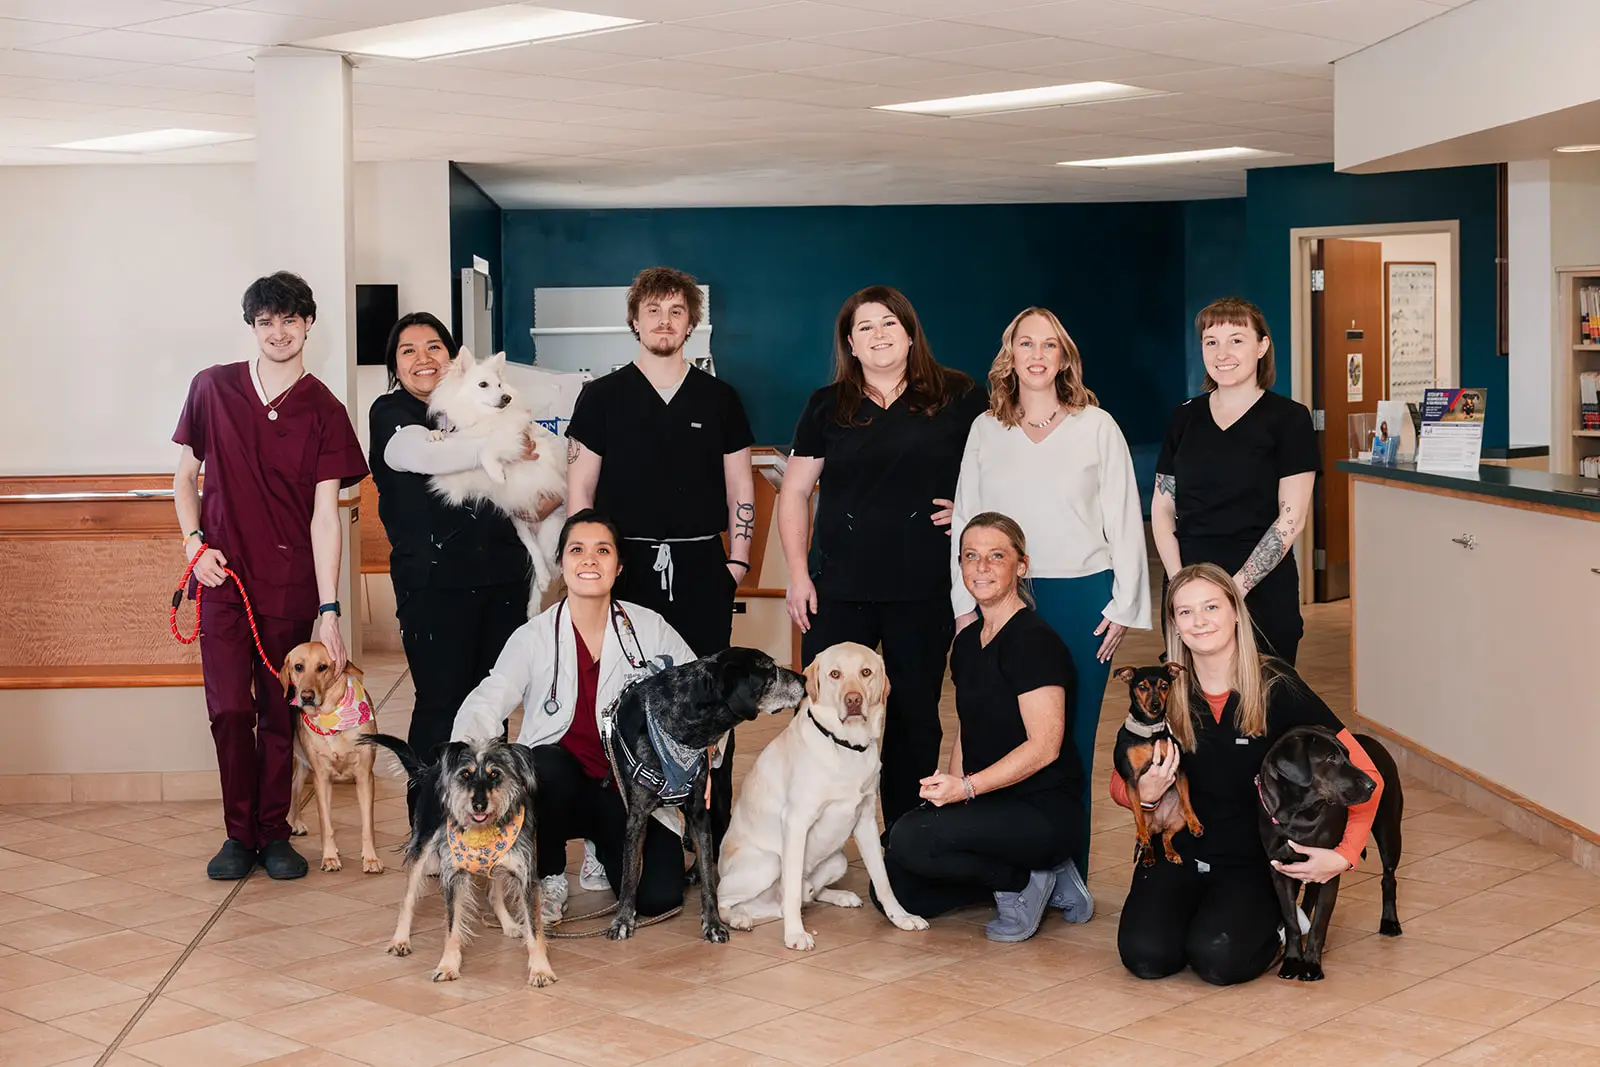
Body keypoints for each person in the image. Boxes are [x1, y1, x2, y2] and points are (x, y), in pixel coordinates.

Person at [172, 271, 368, 881]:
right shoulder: (212, 389)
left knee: (281, 714)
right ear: (252, 327)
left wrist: (329, 610)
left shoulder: (325, 410)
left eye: (289, 320)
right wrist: (195, 545)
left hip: (288, 582)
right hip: (223, 580)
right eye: (265, 322)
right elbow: (183, 479)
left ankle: (275, 833)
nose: (278, 332)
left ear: (309, 324)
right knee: (229, 709)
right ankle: (238, 834)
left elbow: (324, 518)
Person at [1115, 562, 1384, 986]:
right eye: (1185, 612)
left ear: (1235, 611)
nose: (1199, 621)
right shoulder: (1164, 690)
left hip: (1255, 861)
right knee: (1146, 956)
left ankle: (1278, 922)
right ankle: (1197, 908)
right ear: (1174, 625)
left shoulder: (1276, 684)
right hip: (1183, 849)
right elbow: (1121, 780)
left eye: (1211, 607)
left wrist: (1344, 855)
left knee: (1220, 962)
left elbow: (1366, 773)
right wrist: (1146, 795)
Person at [949, 307, 1148, 876]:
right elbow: (967, 518)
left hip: (1082, 597)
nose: (1037, 356)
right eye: (1025, 344)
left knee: (1069, 743)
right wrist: (966, 606)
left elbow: (1123, 517)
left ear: (1065, 357)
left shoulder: (1097, 425)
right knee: (1000, 738)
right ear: (1009, 356)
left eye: (1049, 345)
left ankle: (1068, 874)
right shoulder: (986, 430)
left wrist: (1124, 603)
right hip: (1000, 600)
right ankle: (1009, 869)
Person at [780, 285, 988, 829]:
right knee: (824, 713)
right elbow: (795, 492)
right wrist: (797, 576)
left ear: (910, 332)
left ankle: (905, 837)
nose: (878, 335)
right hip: (838, 587)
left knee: (915, 717)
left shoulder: (959, 395)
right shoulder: (827, 405)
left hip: (924, 588)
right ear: (850, 343)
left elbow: (1001, 465)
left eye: (889, 323)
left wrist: (970, 510)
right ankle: (817, 837)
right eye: (865, 327)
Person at [566, 266, 755, 863]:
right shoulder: (601, 396)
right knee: (623, 700)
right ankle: (619, 842)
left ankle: (710, 840)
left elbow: (741, 485)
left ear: (691, 323)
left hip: (703, 566)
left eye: (676, 311)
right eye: (654, 310)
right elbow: (580, 489)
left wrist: (737, 561)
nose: (665, 321)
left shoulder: (720, 398)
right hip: (627, 567)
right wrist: (588, 569)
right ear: (635, 320)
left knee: (708, 704)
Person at [450, 510, 700, 923]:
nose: (589, 560)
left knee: (658, 899)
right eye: (577, 550)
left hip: (626, 789)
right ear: (561, 564)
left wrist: (700, 758)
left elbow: (697, 695)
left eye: (602, 551)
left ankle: (601, 851)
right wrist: (462, 761)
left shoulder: (648, 628)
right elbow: (489, 698)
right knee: (543, 763)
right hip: (557, 787)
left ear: (618, 567)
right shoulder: (533, 636)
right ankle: (547, 875)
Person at [367, 311, 560, 822]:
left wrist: (536, 497)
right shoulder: (394, 413)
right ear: (395, 364)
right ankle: (429, 826)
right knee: (440, 703)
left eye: (434, 347)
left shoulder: (481, 409)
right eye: (408, 350)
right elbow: (415, 456)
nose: (422, 358)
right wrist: (494, 447)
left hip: (501, 578)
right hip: (433, 585)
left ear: (452, 360)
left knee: (492, 709)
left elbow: (522, 483)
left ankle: (486, 822)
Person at [877, 514, 1093, 942]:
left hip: (1041, 811)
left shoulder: (1035, 642)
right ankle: (1036, 878)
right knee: (894, 886)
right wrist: (952, 788)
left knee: (910, 839)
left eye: (997, 556)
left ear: (1022, 565)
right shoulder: (967, 641)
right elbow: (967, 727)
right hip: (991, 803)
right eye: (971, 556)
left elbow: (1045, 747)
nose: (982, 567)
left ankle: (1024, 878)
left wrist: (968, 790)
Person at [1152, 297, 1317, 665]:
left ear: (1262, 346)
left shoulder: (1289, 419)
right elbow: (1163, 506)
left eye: (1236, 340)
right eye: (1212, 342)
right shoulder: (1184, 417)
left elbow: (1292, 519)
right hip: (1188, 578)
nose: (1222, 353)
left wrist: (1231, 591)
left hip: (1260, 586)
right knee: (1192, 706)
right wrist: (1184, 586)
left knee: (1263, 705)